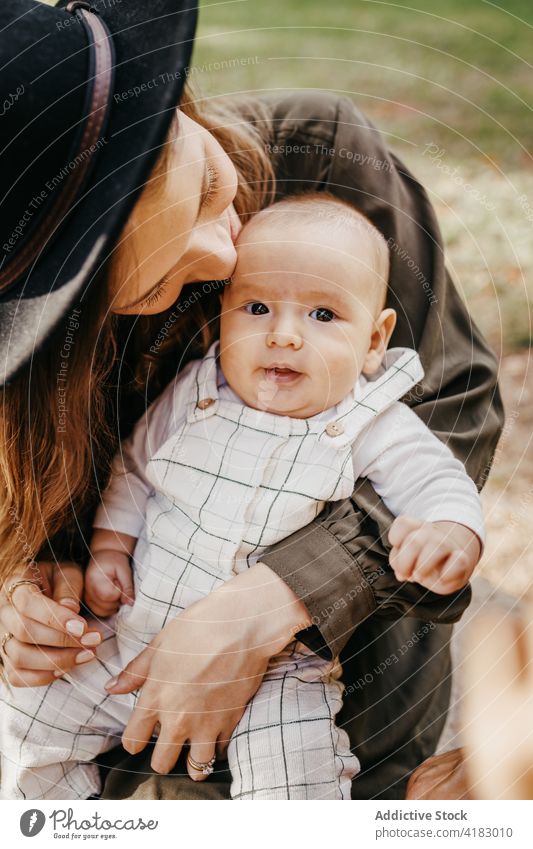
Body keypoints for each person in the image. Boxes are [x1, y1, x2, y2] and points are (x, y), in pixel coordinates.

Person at [0, 0, 503, 800]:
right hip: (122, 695)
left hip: (343, 698)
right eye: (158, 275)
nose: (225, 249)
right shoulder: (31, 366)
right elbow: (78, 503)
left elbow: (453, 406)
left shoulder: (320, 155)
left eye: (205, 187)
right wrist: (27, 593)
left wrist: (277, 595)